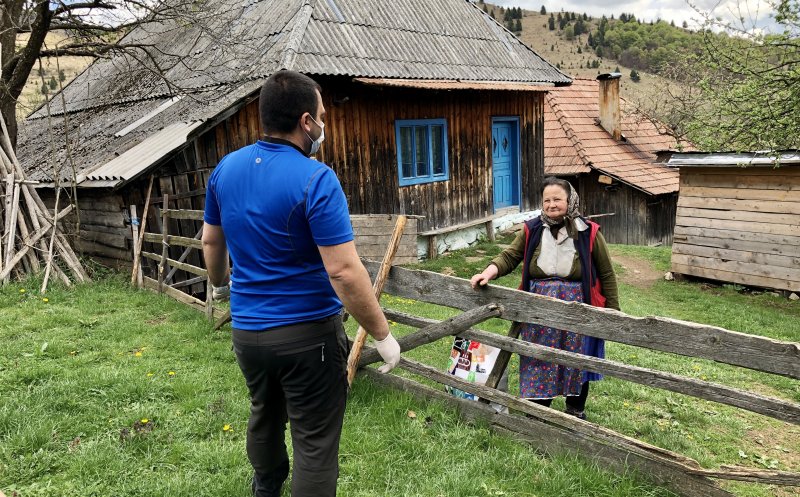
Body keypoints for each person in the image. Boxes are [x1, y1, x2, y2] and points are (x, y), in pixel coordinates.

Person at [202, 70, 401, 497]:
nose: (324, 125)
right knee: (315, 441)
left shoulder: (225, 170)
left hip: (248, 333)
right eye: (322, 117)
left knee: (264, 414)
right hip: (308, 337)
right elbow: (343, 271)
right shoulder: (316, 179)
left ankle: (266, 489)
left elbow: (211, 241)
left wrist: (220, 285)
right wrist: (382, 335)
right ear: (306, 121)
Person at [469, 177, 619, 419]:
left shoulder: (589, 232)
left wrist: (612, 313)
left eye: (557, 199)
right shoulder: (532, 229)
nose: (551, 204)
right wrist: (487, 273)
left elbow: (607, 273)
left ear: (570, 201)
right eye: (547, 200)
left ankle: (575, 412)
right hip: (538, 307)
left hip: (576, 307)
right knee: (537, 356)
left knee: (576, 360)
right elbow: (509, 256)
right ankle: (537, 412)